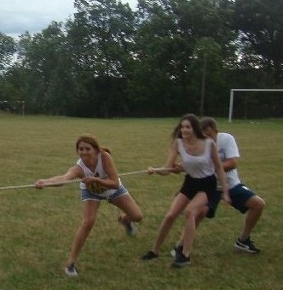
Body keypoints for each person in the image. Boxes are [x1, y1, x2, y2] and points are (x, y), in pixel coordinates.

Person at [34, 134, 144, 277]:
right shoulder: (79, 168)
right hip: (92, 193)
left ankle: (125, 220)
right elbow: (64, 178)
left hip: (112, 189)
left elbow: (115, 183)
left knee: (137, 216)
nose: (84, 152)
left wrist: (96, 180)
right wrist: (46, 182)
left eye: (87, 148)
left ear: (96, 150)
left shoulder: (104, 157)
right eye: (81, 149)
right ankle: (70, 264)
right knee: (88, 222)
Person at [167, 117, 265, 256]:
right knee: (196, 213)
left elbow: (232, 163)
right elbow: (191, 165)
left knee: (258, 204)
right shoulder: (198, 143)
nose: (207, 139)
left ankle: (243, 240)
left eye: (209, 135)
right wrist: (178, 168)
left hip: (231, 184)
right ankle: (181, 246)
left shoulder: (226, 139)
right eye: (203, 135)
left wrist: (208, 166)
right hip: (208, 187)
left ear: (215, 131)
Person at [141, 113, 229, 268]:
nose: (184, 130)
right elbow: (168, 168)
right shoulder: (178, 143)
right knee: (170, 215)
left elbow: (219, 168)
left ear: (195, 128)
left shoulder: (208, 143)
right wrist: (154, 170)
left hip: (207, 184)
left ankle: (186, 255)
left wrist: (226, 192)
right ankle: (154, 251)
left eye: (187, 127)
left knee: (190, 212)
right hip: (190, 183)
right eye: (182, 127)